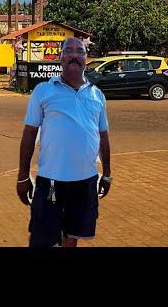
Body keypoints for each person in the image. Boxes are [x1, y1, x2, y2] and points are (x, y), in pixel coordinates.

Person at [16, 36, 112, 248]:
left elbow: (103, 136)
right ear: (60, 58)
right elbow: (29, 135)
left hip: (86, 182)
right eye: (69, 50)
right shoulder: (43, 91)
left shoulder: (97, 95)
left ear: (86, 58)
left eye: (80, 51)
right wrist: (23, 177)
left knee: (72, 237)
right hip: (50, 181)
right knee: (43, 240)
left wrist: (107, 174)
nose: (75, 55)